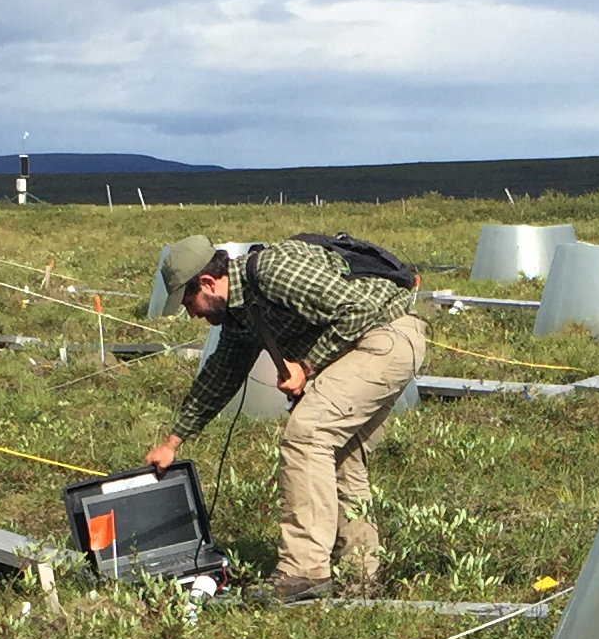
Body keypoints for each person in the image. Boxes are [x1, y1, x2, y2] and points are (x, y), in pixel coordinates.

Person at [144, 232, 427, 602]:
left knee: (307, 435)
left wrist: (306, 367)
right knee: (341, 458)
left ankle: (303, 571)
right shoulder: (239, 315)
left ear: (209, 283)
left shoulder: (277, 272)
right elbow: (219, 376)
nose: (192, 313)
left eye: (189, 300)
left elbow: (359, 309)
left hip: (386, 337)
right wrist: (172, 443)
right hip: (365, 345)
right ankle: (360, 578)